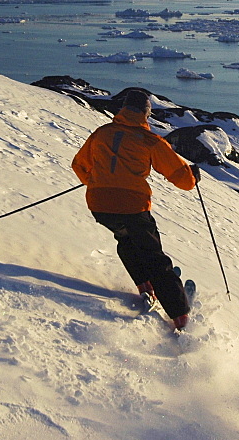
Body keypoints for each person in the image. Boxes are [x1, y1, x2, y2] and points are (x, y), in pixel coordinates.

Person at [71, 89, 200, 330]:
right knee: (155, 258)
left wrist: (98, 182)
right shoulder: (150, 140)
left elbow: (79, 165)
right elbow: (182, 180)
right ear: (145, 112)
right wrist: (193, 177)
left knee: (126, 240)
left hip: (99, 204)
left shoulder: (102, 133)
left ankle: (145, 287)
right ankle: (181, 319)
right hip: (132, 206)